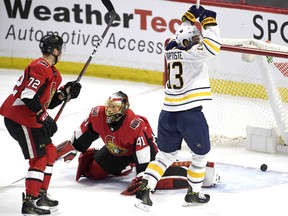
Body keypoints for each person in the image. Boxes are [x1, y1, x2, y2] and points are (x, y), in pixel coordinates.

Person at [134, 5, 221, 211]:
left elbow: (179, 37)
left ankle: (145, 190)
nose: (198, 41)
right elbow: (214, 45)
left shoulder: (169, 49)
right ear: (189, 42)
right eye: (195, 39)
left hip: (167, 114)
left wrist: (188, 21)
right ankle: (193, 193)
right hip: (189, 114)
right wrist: (209, 22)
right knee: (200, 156)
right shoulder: (193, 54)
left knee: (165, 156)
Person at [56, 91, 219, 195]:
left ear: (124, 109)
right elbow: (78, 138)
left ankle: (195, 171)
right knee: (93, 172)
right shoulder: (97, 114)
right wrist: (67, 149)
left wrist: (142, 175)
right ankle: (128, 165)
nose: (110, 110)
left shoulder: (135, 125)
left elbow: (144, 158)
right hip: (119, 150)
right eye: (109, 106)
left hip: (144, 151)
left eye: (115, 107)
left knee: (152, 183)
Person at [0, 34, 82, 215]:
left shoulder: (53, 73)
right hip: (19, 118)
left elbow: (47, 102)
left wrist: (65, 94)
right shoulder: (40, 67)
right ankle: (29, 201)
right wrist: (43, 116)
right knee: (39, 157)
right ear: (54, 50)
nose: (61, 53)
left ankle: (40, 194)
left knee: (50, 152)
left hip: (31, 117)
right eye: (60, 49)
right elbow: (28, 96)